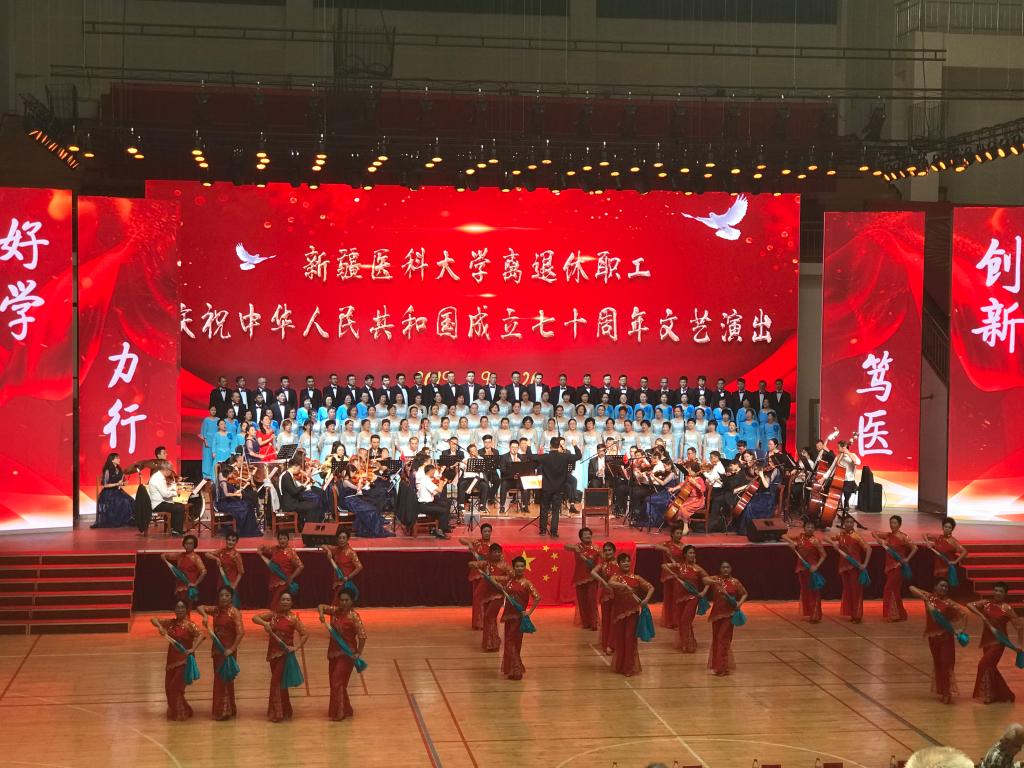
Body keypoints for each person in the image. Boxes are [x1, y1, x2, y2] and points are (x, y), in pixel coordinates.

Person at [595, 551, 654, 677]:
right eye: (623, 561)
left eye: (628, 561)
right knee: (620, 640)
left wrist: (646, 600)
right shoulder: (616, 577)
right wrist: (625, 587)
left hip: (632, 613)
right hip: (618, 614)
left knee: (630, 639)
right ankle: (620, 666)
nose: (626, 563)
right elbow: (610, 583)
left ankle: (629, 667)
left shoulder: (636, 578)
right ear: (619, 564)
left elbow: (651, 588)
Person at [253, 591, 309, 722]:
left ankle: (277, 713)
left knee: (275, 682)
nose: (285, 602)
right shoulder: (273, 615)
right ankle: (286, 710)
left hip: (285, 655)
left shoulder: (293, 619)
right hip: (273, 655)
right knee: (281, 683)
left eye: (288, 600)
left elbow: (305, 634)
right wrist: (265, 624)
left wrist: (296, 647)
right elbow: (255, 618)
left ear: (292, 603)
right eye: (283, 599)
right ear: (279, 602)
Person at [909, 581, 967, 705]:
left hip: (946, 637)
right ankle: (942, 690)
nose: (944, 588)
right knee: (938, 664)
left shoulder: (949, 603)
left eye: (946, 586)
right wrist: (926, 598)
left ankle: (947, 693)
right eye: (942, 585)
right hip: (932, 638)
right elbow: (911, 587)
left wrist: (960, 630)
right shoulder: (929, 598)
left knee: (946, 664)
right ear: (935, 587)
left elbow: (964, 614)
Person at [968, 582, 1024, 704]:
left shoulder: (1007, 608)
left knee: (983, 665)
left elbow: (1020, 626)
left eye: (1001, 591)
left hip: (999, 641)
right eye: (996, 590)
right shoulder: (986, 603)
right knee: (990, 667)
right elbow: (969, 605)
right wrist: (982, 616)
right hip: (986, 641)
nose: (997, 593)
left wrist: (1020, 645)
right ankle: (1005, 694)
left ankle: (988, 695)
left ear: (1005, 594)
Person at [318, 588, 367, 720]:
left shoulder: (354, 616)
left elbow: (362, 636)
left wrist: (358, 653)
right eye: (342, 600)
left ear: (352, 601)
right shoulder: (335, 611)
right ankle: (346, 709)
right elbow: (320, 606)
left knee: (336, 681)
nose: (344, 603)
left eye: (347, 600)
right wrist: (321, 614)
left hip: (347, 654)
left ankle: (338, 713)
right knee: (337, 683)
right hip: (333, 652)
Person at [151, 599, 203, 721]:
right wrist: (160, 627)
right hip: (171, 659)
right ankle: (186, 709)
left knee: (175, 687)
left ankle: (181, 712)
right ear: (174, 610)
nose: (180, 610)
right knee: (168, 687)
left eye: (182, 607)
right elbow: (153, 619)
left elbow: (200, 635)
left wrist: (193, 649)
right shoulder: (171, 623)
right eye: (177, 607)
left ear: (186, 610)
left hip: (184, 660)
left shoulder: (190, 625)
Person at [197, 586, 244, 720]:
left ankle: (225, 711)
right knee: (219, 679)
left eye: (227, 595)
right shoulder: (216, 610)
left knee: (226, 679)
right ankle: (225, 709)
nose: (224, 598)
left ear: (231, 598)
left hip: (228, 651)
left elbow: (241, 633)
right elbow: (200, 607)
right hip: (217, 650)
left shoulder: (234, 612)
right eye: (221, 595)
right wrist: (205, 616)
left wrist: (232, 649)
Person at [662, 544, 709, 653]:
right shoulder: (679, 566)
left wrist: (703, 592)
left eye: (694, 553)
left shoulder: (697, 568)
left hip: (692, 598)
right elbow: (664, 565)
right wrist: (673, 574)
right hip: (680, 598)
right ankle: (689, 642)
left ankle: (686, 644)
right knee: (681, 621)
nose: (692, 555)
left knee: (685, 621)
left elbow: (708, 580)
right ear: (685, 555)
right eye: (690, 553)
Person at [703, 561, 748, 676]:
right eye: (723, 567)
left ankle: (722, 668)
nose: (725, 569)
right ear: (720, 569)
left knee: (723, 639)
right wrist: (715, 582)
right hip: (716, 615)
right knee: (716, 639)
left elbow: (744, 593)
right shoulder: (716, 579)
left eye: (727, 567)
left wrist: (739, 604)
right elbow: (704, 580)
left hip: (729, 615)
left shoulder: (735, 582)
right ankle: (717, 666)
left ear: (731, 569)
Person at [500, 556, 540, 681]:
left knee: (512, 642)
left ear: (524, 568)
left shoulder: (526, 583)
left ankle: (516, 670)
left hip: (519, 617)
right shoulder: (509, 581)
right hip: (508, 616)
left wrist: (529, 612)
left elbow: (537, 597)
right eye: (517, 566)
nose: (519, 568)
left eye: (522, 566)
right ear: (513, 568)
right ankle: (513, 670)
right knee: (511, 642)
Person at [872, 515, 918, 622]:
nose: (892, 525)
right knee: (894, 590)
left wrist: (906, 559)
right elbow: (873, 533)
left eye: (895, 523)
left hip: (898, 567)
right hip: (890, 567)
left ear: (899, 524)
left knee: (889, 589)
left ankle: (894, 615)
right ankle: (899, 614)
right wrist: (880, 540)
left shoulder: (903, 537)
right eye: (891, 523)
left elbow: (915, 548)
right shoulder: (888, 535)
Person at [468, 543, 512, 652]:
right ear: (490, 553)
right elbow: (471, 564)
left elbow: (510, 577)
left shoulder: (505, 565)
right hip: (487, 595)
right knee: (488, 618)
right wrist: (474, 564)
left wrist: (495, 578)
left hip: (498, 595)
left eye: (499, 552)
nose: (497, 554)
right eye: (494, 552)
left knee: (489, 617)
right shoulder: (486, 563)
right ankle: (491, 643)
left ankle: (493, 642)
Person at [535, 436, 582, 538]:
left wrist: (529, 447)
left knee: (544, 509)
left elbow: (530, 457)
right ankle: (554, 532)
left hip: (547, 488)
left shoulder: (545, 457)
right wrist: (575, 446)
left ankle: (543, 530)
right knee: (556, 510)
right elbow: (579, 456)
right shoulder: (565, 456)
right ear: (559, 445)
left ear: (550, 445)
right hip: (559, 488)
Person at [828, 515, 871, 623]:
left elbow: (869, 549)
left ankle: (857, 615)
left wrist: (865, 564)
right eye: (847, 522)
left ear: (853, 524)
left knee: (856, 591)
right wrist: (833, 543)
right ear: (844, 524)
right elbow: (825, 538)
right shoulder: (840, 535)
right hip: (844, 567)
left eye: (851, 522)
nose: (849, 524)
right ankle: (852, 614)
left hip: (855, 567)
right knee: (848, 591)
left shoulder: (857, 536)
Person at [784, 518, 827, 624]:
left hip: (811, 570)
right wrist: (792, 543)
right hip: (801, 568)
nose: (810, 529)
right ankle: (809, 613)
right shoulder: (800, 537)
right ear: (804, 528)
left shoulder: (815, 541)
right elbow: (783, 536)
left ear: (814, 530)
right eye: (808, 527)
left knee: (814, 592)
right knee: (805, 591)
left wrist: (816, 566)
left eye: (812, 527)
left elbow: (824, 555)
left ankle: (815, 615)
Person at [460, 523, 495, 630]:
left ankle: (487, 621)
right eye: (485, 531)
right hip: (477, 574)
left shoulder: (493, 546)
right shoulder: (476, 542)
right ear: (481, 532)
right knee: (477, 598)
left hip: (488, 575)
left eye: (489, 531)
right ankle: (477, 622)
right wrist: (469, 544)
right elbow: (461, 539)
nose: (487, 533)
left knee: (487, 598)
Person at [565, 527, 600, 631]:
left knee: (591, 599)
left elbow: (604, 556)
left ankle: (594, 623)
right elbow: (566, 546)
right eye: (585, 535)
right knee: (582, 601)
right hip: (580, 578)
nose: (588, 536)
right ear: (581, 537)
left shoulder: (596, 548)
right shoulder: (578, 546)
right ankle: (585, 623)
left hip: (592, 577)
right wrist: (575, 548)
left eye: (589, 534)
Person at [259, 531, 304, 611]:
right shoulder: (275, 549)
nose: (282, 540)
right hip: (274, 581)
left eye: (284, 538)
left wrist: (291, 578)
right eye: (280, 539)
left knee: (277, 604)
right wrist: (259, 549)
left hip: (284, 582)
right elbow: (263, 547)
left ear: (288, 540)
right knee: (276, 604)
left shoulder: (291, 553)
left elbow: (300, 566)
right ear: (278, 540)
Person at [591, 542, 622, 655]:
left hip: (618, 595)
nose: (607, 552)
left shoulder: (620, 564)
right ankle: (607, 644)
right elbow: (593, 572)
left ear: (614, 551)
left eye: (609, 550)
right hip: (605, 596)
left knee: (615, 620)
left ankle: (613, 644)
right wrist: (603, 581)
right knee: (606, 620)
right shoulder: (602, 565)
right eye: (605, 550)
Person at [653, 526, 687, 628]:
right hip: (668, 574)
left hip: (679, 575)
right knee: (669, 597)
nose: (679, 535)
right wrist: (665, 549)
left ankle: (678, 621)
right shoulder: (667, 544)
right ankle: (669, 621)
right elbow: (655, 546)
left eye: (680, 533)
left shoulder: (683, 546)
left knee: (678, 597)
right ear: (672, 534)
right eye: (677, 533)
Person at [161, 534, 206, 609]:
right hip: (179, 586)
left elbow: (204, 571)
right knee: (179, 608)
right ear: (184, 545)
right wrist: (164, 556)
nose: (188, 545)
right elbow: (167, 555)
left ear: (194, 545)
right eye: (186, 543)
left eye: (191, 544)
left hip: (189, 588)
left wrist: (195, 584)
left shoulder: (196, 557)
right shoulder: (180, 555)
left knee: (187, 608)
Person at [216, 464, 261, 537]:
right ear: (228, 473)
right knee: (246, 507)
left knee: (249, 505)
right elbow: (226, 494)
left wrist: (240, 490)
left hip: (228, 502)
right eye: (232, 473)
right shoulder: (223, 482)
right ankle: (244, 530)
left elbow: (233, 492)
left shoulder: (225, 481)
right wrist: (236, 494)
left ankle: (249, 529)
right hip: (224, 504)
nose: (232, 474)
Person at [147, 461, 192, 535]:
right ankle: (176, 530)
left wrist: (172, 488)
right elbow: (165, 494)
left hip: (161, 501)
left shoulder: (159, 476)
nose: (171, 472)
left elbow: (164, 491)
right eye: (170, 470)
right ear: (166, 470)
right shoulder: (158, 478)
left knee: (179, 505)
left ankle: (174, 528)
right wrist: (176, 493)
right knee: (180, 507)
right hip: (158, 504)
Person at [92, 452, 136, 528]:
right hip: (108, 492)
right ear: (112, 460)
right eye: (117, 458)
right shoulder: (107, 470)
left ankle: (128, 519)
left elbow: (120, 483)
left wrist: (124, 483)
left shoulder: (119, 469)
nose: (119, 459)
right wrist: (117, 484)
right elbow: (105, 485)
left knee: (131, 500)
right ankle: (118, 520)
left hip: (117, 491)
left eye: (119, 458)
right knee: (124, 500)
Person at [321, 530, 363, 604]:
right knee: (338, 603)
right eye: (340, 538)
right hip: (337, 580)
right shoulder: (337, 549)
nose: (341, 540)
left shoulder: (351, 552)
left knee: (339, 603)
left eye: (344, 538)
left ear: (347, 539)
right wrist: (329, 551)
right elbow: (323, 545)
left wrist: (348, 577)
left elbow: (359, 567)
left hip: (345, 582)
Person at [414, 461, 453, 539]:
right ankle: (440, 531)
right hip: (424, 505)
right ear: (430, 471)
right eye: (434, 471)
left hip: (427, 503)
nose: (434, 473)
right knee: (443, 510)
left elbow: (435, 492)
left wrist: (439, 485)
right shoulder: (426, 480)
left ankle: (439, 527)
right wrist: (441, 481)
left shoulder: (426, 479)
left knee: (444, 504)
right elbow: (439, 490)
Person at [924, 518, 967, 587]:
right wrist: (927, 542)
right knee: (937, 586)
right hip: (937, 567)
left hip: (946, 568)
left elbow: (965, 552)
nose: (947, 529)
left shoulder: (953, 541)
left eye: (949, 528)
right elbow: (924, 535)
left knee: (943, 586)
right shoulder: (938, 537)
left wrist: (955, 561)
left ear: (952, 529)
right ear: (942, 527)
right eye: (945, 527)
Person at [205, 532, 244, 597]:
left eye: (233, 540)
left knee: (230, 601)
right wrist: (216, 558)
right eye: (229, 540)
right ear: (226, 540)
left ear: (236, 542)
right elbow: (207, 554)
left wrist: (234, 585)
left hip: (231, 582)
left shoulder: (236, 555)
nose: (230, 542)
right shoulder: (222, 551)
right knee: (221, 600)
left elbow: (241, 572)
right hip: (221, 580)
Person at [834, 440, 861, 514]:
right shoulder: (838, 456)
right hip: (839, 478)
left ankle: (846, 504)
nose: (838, 449)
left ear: (843, 448)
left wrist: (848, 453)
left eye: (839, 447)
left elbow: (857, 462)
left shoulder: (852, 455)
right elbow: (834, 466)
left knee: (846, 494)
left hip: (849, 480)